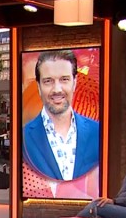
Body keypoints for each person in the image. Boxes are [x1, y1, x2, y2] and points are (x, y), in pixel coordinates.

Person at [22, 49, 100, 195]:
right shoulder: (23, 137)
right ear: (38, 86)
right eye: (48, 81)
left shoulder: (97, 132)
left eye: (64, 79)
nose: (57, 89)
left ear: (75, 83)